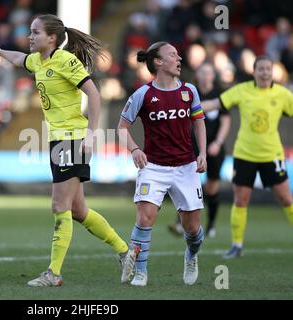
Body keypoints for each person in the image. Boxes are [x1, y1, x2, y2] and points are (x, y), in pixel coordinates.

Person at [0, 14, 135, 287]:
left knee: (59, 205)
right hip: (58, 141)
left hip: (72, 139)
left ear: (51, 38)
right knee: (78, 210)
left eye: (35, 32)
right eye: (30, 32)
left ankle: (53, 273)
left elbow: (94, 94)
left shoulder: (66, 61)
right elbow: (20, 59)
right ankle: (126, 252)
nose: (30, 36)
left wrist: (91, 134)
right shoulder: (38, 61)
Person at [118, 41, 207, 287]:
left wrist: (203, 153)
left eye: (179, 55)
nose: (179, 59)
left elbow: (198, 122)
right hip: (153, 167)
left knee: (192, 228)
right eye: (173, 55)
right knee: (145, 218)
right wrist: (134, 149)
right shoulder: (143, 94)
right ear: (158, 62)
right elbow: (122, 128)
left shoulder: (189, 91)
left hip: (186, 167)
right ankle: (141, 272)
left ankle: (191, 255)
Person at [201, 55, 293, 259]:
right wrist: (189, 108)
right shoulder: (242, 90)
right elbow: (216, 103)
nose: (265, 72)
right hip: (245, 155)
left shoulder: (282, 95)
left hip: (272, 155)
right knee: (241, 200)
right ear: (254, 71)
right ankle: (236, 245)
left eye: (268, 69)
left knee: (286, 199)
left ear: (273, 71)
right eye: (261, 69)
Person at [168, 62, 231, 238]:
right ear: (198, 74)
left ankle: (210, 225)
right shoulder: (189, 91)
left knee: (211, 187)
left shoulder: (220, 94)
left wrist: (217, 142)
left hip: (214, 147)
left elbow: (226, 121)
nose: (205, 76)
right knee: (187, 184)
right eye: (202, 72)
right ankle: (180, 224)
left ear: (213, 75)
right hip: (192, 145)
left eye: (209, 72)